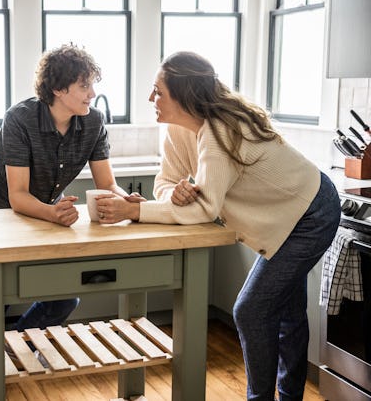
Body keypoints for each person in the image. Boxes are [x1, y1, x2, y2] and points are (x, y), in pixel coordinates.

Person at [94, 51, 340, 400]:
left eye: (158, 91)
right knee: (286, 314)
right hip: (288, 216)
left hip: (310, 213)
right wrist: (173, 194)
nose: (151, 98)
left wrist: (133, 212)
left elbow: (206, 209)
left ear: (183, 94)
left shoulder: (220, 130)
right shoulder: (178, 132)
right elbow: (164, 183)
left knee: (251, 309)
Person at [0, 44, 131, 334]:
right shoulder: (19, 119)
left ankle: (14, 348)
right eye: (84, 85)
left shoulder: (94, 122)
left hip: (49, 212)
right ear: (59, 89)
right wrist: (53, 214)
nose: (91, 93)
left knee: (63, 297)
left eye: (92, 85)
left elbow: (108, 184)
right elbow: (18, 196)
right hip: (2, 215)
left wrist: (130, 203)